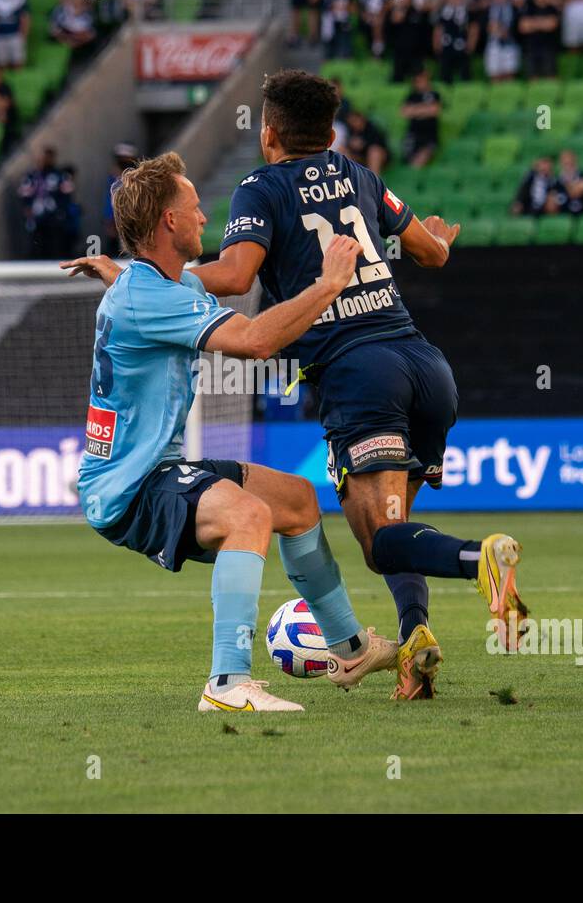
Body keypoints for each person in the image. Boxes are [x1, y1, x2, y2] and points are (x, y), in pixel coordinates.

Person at [183, 71, 531, 699]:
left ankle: (480, 558)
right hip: (427, 367)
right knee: (398, 527)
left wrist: (162, 276)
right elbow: (432, 253)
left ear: (268, 131)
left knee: (379, 545)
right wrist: (443, 235)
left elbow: (235, 278)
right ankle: (415, 642)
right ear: (332, 131)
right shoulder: (359, 174)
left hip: (359, 376)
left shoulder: (259, 188)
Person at [60, 150, 396, 712]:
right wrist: (328, 284)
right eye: (193, 208)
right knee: (249, 515)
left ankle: (351, 649)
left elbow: (156, 290)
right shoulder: (149, 295)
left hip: (156, 469)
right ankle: (226, 684)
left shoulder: (156, 284)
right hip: (129, 487)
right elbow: (257, 342)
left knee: (296, 500)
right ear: (168, 221)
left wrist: (110, 270)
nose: (203, 217)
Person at [400, 69, 440, 168]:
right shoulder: (411, 96)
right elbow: (404, 112)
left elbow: (434, 110)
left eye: (422, 80)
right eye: (417, 81)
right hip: (413, 135)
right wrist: (424, 109)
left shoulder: (434, 94)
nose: (419, 83)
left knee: (419, 160)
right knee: (406, 157)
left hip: (429, 136)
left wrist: (415, 110)